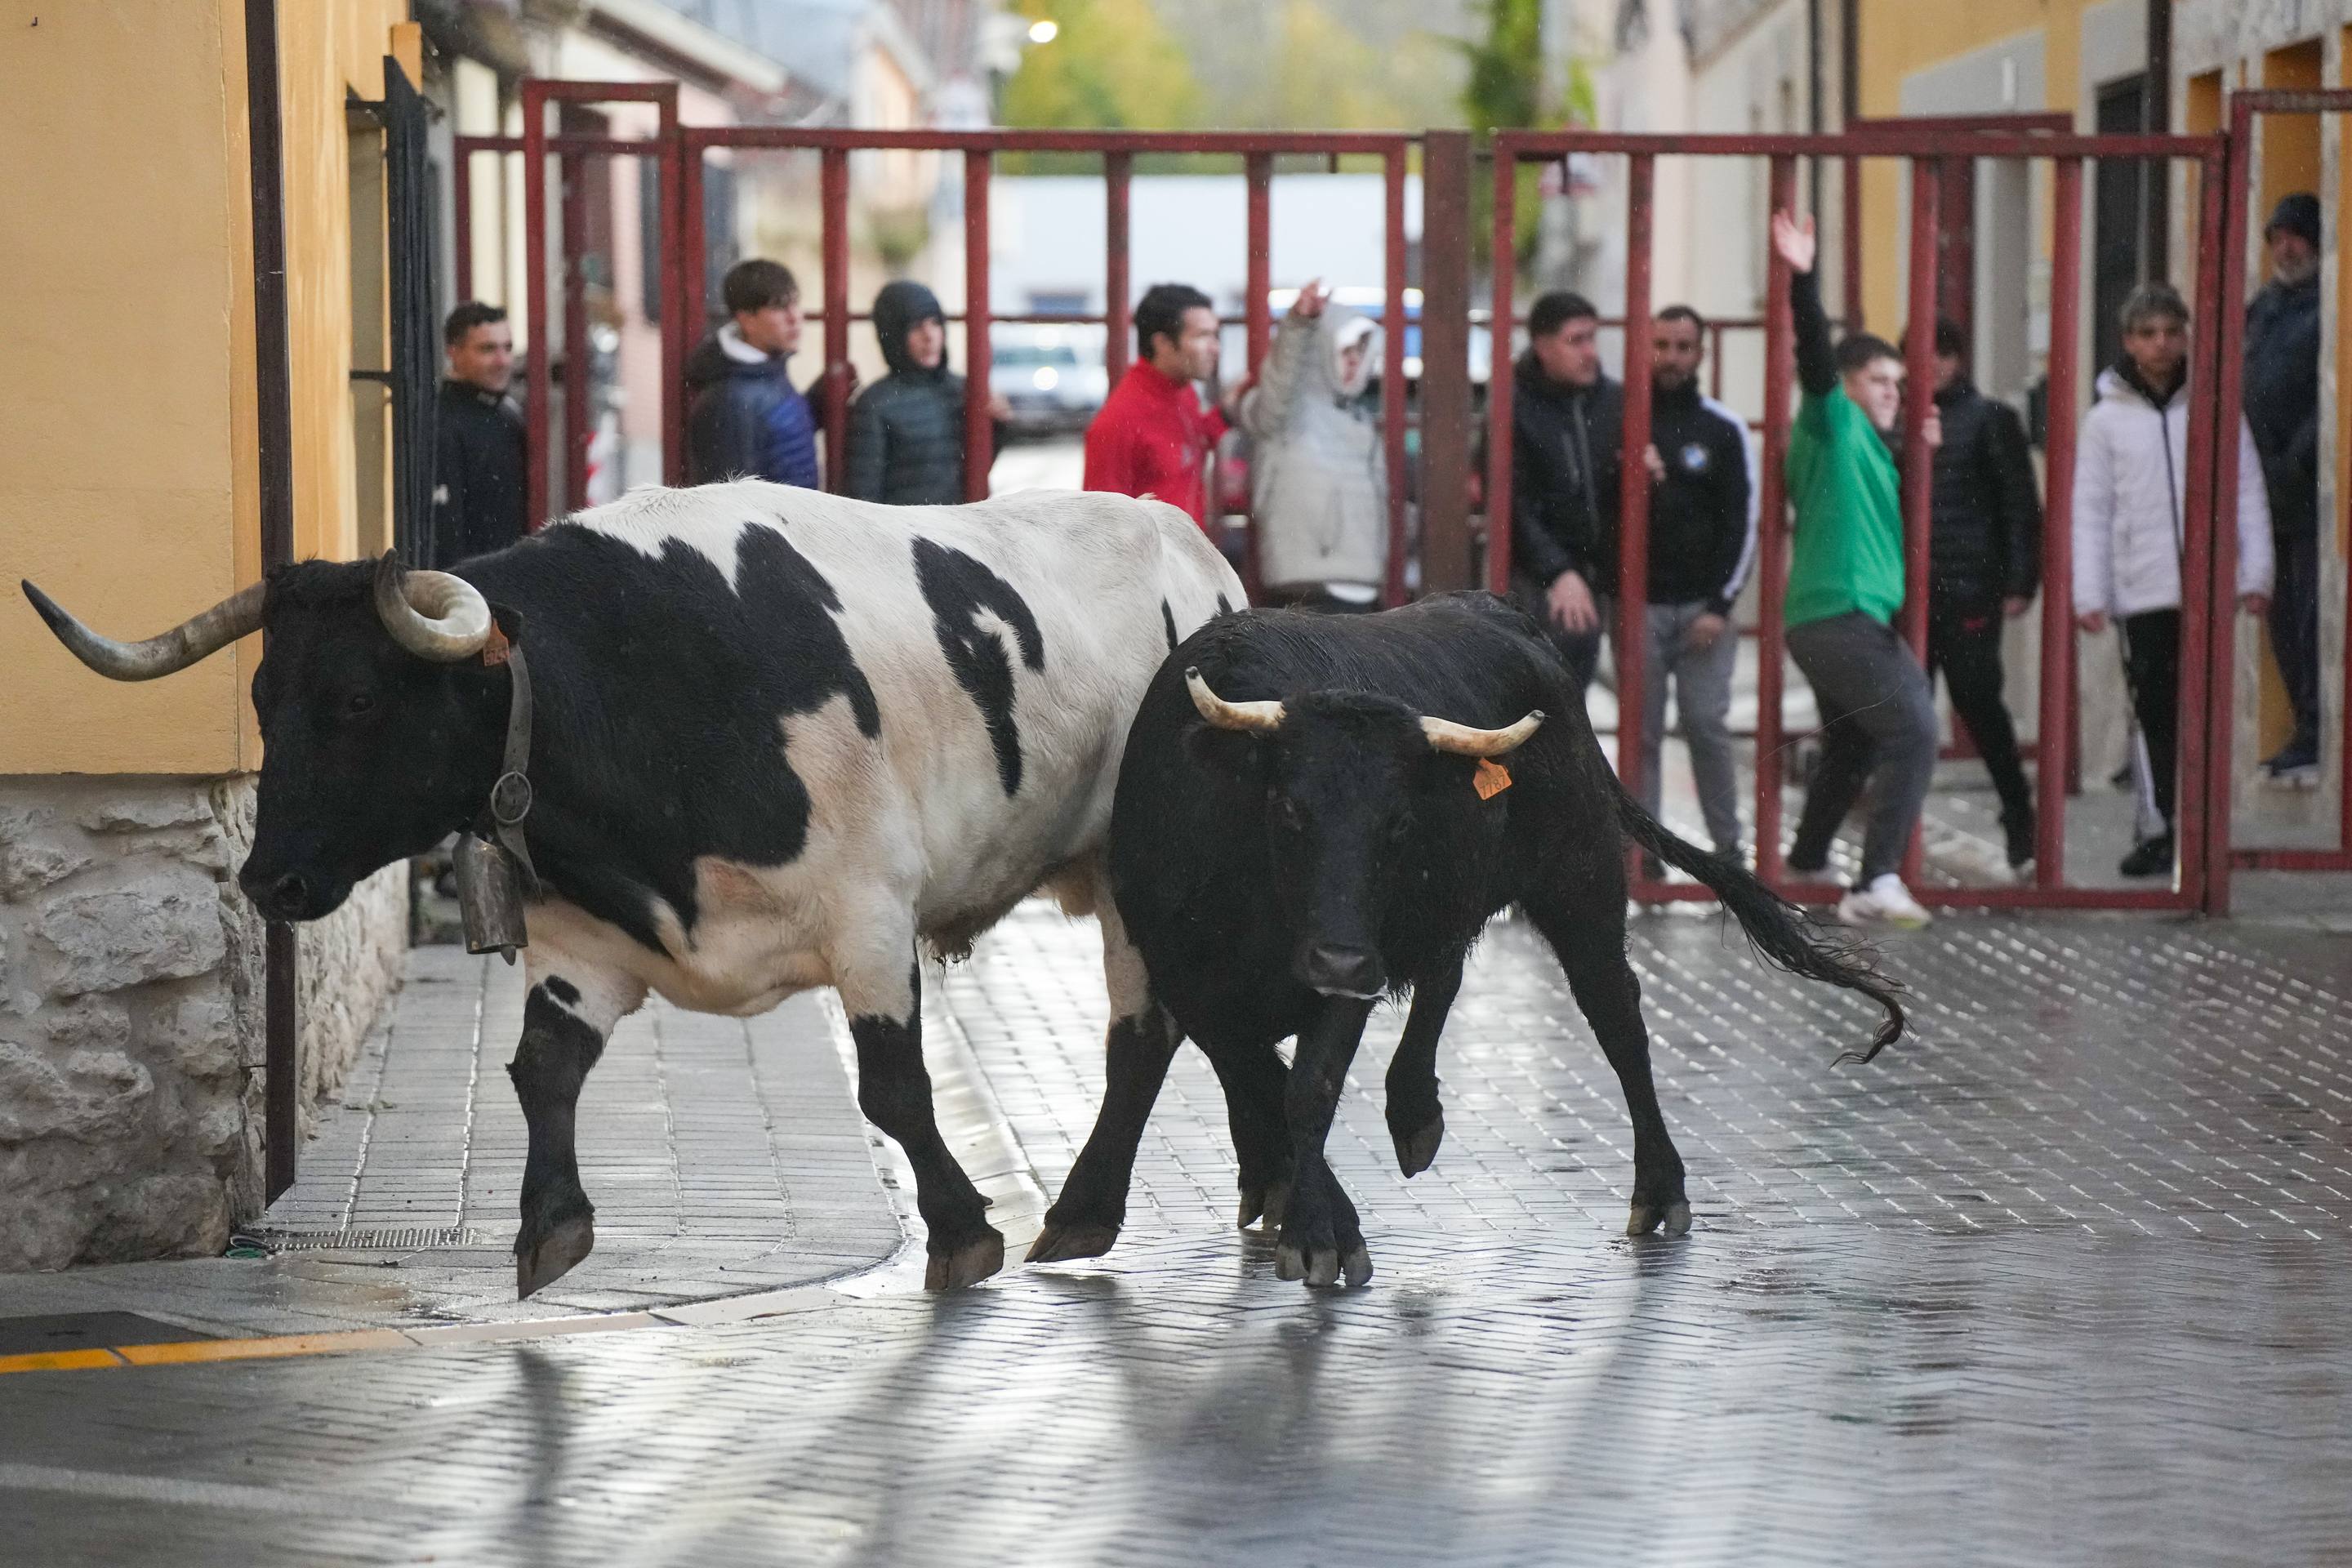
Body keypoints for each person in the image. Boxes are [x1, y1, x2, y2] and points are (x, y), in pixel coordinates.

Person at [1772, 210, 1940, 929]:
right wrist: (1804, 277)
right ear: (1847, 385)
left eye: (1898, 383)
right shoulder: (1831, 420)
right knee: (1917, 730)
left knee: (1852, 740)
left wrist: (1918, 449)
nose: (1891, 393)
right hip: (1839, 615)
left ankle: (1808, 862)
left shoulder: (1875, 445)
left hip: (1839, 615)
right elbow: (1814, 356)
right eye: (1878, 380)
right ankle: (1876, 879)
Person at [2074, 282, 2274, 878]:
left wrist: (2255, 570)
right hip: (2143, 590)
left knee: (2208, 709)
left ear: (2187, 334)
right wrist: (2091, 592)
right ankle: (2159, 826)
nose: (2162, 344)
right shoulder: (2106, 421)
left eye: (2171, 331)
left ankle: (2208, 828)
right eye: (2148, 333)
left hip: (2211, 588)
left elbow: (2247, 489)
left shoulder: (2214, 406)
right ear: (2129, 342)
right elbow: (2091, 509)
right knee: (2154, 711)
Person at [1615, 305, 1755, 866]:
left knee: (1705, 725)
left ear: (1701, 354)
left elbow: (1742, 523)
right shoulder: (1622, 419)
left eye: (1683, 347)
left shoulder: (1722, 429)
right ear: (1644, 348)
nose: (1671, 358)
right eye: (1662, 345)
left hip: (1703, 607)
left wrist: (1721, 604)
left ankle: (1728, 849)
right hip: (1638, 604)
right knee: (1640, 733)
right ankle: (1647, 852)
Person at [1925, 317, 2043, 875]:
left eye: (1943, 353)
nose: (1934, 364)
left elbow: (2020, 505)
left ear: (1959, 358)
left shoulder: (1992, 420)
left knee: (1978, 702)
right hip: (1908, 594)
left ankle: (2019, 812)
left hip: (1970, 588)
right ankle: (1896, 838)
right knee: (1906, 716)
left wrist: (2021, 582)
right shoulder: (1895, 420)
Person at [1236, 279, 1386, 612]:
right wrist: (1299, 325)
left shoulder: (1361, 420)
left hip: (1360, 584)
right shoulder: (1291, 411)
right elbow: (1279, 389)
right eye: (1346, 350)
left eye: (1362, 353)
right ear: (1324, 347)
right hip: (1308, 582)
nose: (1353, 363)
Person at [2243, 192, 2323, 787]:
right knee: (2280, 614)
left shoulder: (2329, 307)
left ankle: (2317, 732)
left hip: (2305, 483)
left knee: (2310, 616)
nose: (2286, 248)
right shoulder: (2263, 309)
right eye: (2277, 238)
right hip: (2262, 488)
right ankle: (2300, 728)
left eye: (2295, 236)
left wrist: (2300, 452)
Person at [1508, 291, 1622, 696]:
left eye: (1593, 338)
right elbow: (1513, 501)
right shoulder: (1514, 404)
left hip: (1610, 573)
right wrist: (1558, 570)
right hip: (1538, 576)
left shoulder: (1614, 401)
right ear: (1542, 346)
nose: (1590, 352)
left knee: (1639, 698)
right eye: (1577, 341)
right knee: (1549, 684)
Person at [1084, 282, 1236, 531]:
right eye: (1202, 336)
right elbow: (1102, 526)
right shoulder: (1119, 421)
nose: (1215, 348)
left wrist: (1227, 413)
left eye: (1215, 335)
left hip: (1184, 560)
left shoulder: (1182, 391)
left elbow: (1187, 445)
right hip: (1153, 566)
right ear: (1163, 343)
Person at [845, 281, 1009, 506]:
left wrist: (998, 427)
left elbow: (974, 470)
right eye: (916, 327)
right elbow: (863, 498)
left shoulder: (963, 390)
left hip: (960, 530)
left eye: (935, 323)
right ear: (894, 336)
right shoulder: (875, 404)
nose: (929, 336)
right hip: (907, 537)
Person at [684, 258, 820, 488]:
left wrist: (817, 404)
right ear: (746, 320)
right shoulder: (729, 399)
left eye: (795, 303)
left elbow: (776, 443)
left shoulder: (764, 371)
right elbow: (732, 500)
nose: (795, 317)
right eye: (779, 307)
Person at [432, 301, 528, 565]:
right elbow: (446, 530)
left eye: (507, 348)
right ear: (453, 351)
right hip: (472, 585)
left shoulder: (508, 414)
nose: (502, 361)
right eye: (487, 349)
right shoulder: (442, 419)